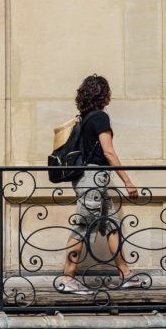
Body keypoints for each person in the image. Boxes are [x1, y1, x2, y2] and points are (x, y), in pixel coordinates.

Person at [57, 74, 144, 294]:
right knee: (81, 227)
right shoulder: (100, 117)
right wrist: (127, 181)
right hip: (93, 181)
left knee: (112, 224)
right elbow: (108, 152)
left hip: (92, 180)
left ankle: (125, 274)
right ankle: (67, 279)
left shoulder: (85, 118)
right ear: (103, 95)